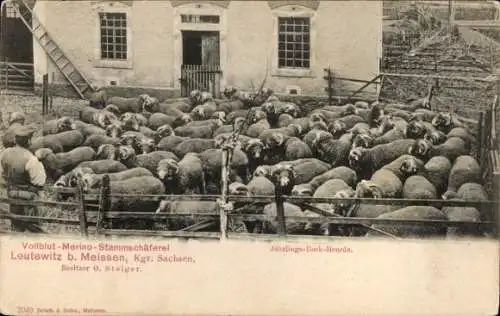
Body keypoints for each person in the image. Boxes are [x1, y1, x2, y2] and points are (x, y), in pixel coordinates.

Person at [0, 125, 47, 232]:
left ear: (15, 140)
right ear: (28, 141)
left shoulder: (4, 153)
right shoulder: (31, 159)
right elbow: (40, 182)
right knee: (33, 227)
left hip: (11, 194)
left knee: (16, 225)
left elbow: (2, 173)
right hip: (28, 197)